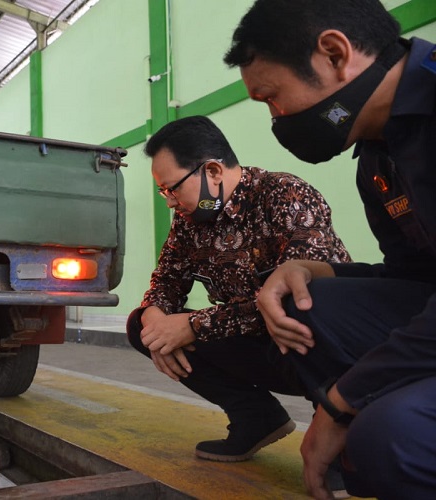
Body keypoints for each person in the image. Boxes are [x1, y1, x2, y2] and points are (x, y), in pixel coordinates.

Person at [225, 1, 436, 497]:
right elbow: (415, 280)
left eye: (272, 98)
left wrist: (341, 404)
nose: (277, 119)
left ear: (335, 53)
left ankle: (383, 438)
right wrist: (318, 270)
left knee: (391, 440)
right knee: (306, 301)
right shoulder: (380, 158)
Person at [127, 116, 351, 464]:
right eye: (163, 192)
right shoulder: (191, 218)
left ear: (213, 171)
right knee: (140, 325)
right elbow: (166, 282)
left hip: (318, 343)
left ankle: (340, 432)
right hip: (256, 339)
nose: (170, 202)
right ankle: (257, 418)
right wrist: (155, 318)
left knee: (303, 310)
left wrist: (191, 325)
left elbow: (294, 297)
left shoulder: (284, 194)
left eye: (173, 189)